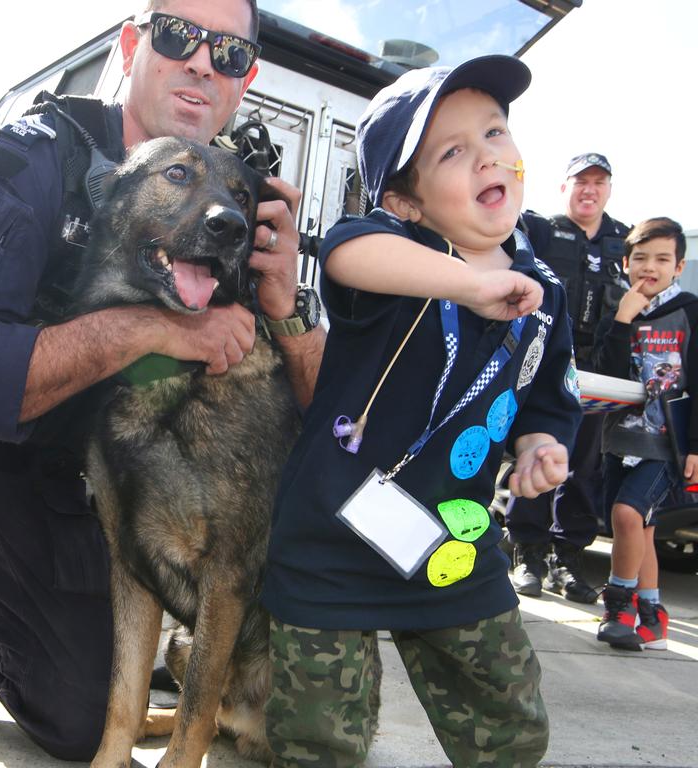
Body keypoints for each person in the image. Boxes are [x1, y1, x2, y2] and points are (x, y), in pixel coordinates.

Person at [0, 0, 327, 760]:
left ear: (245, 83)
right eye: (180, 36)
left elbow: (323, 426)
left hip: (103, 473)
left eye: (231, 55)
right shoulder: (33, 159)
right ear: (131, 42)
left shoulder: (234, 201)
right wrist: (157, 328)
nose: (204, 63)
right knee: (79, 720)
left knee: (83, 706)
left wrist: (288, 312)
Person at [260, 55, 582, 767]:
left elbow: (549, 394)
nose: (488, 156)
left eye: (495, 132)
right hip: (330, 547)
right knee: (319, 742)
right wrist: (469, 284)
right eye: (453, 151)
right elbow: (347, 252)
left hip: (453, 548)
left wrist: (538, 444)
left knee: (512, 727)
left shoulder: (547, 290)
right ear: (407, 203)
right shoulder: (394, 256)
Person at [506, 152, 630, 603]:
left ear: (609, 190)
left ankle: (568, 560)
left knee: (583, 468)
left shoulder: (625, 241)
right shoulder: (539, 228)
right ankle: (527, 555)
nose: (589, 189)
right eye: (580, 181)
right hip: (543, 363)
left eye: (598, 182)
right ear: (565, 187)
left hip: (599, 373)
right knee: (537, 454)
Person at [592, 217, 698, 651]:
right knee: (641, 530)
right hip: (620, 439)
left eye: (661, 259)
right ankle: (653, 618)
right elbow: (603, 374)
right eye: (640, 258)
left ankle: (619, 606)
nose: (649, 267)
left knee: (626, 514)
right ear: (625, 262)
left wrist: (695, 446)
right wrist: (621, 321)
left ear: (679, 265)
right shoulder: (619, 310)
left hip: (665, 444)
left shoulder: (690, 310)